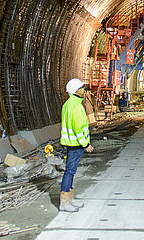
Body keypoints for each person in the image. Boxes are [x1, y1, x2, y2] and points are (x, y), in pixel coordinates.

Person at [59, 78, 93, 212]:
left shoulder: (68, 104)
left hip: (70, 144)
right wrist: (86, 144)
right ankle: (64, 203)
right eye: (82, 88)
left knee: (70, 172)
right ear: (76, 90)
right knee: (69, 172)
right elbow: (78, 128)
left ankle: (69, 199)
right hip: (76, 145)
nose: (84, 90)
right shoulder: (77, 106)